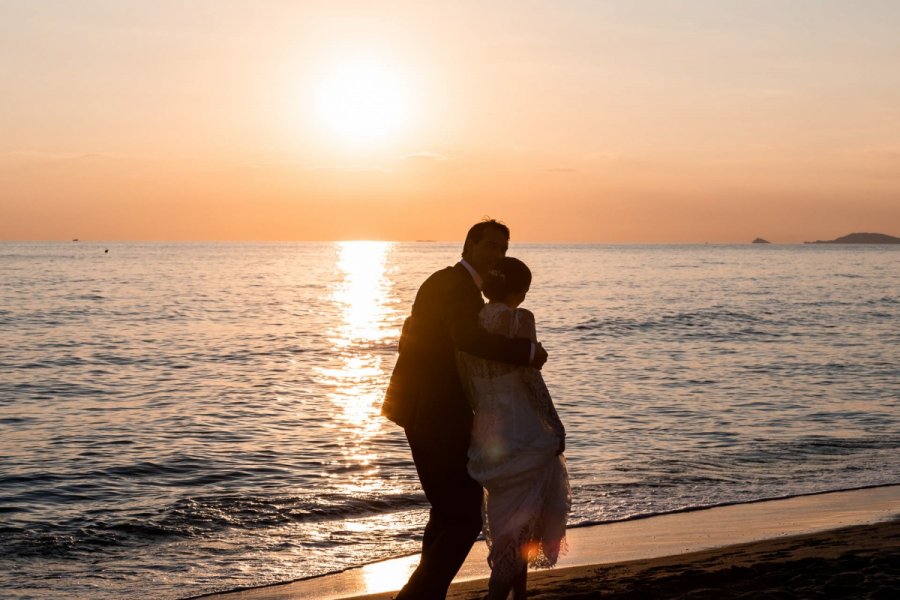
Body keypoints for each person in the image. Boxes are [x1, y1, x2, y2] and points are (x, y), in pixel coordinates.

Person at [382, 220, 548, 599]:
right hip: (436, 411)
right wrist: (527, 353)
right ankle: (415, 595)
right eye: (490, 246)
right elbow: (467, 339)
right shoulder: (456, 287)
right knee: (464, 515)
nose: (497, 256)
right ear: (469, 245)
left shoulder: (447, 283)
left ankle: (428, 593)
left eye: (503, 249)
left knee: (445, 509)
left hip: (422, 407)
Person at [457, 256, 570, 600]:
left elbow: (468, 379)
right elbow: (530, 378)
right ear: (521, 290)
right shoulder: (520, 318)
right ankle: (497, 595)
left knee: (506, 515)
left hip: (488, 423)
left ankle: (517, 595)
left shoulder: (470, 324)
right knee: (528, 513)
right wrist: (555, 422)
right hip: (521, 422)